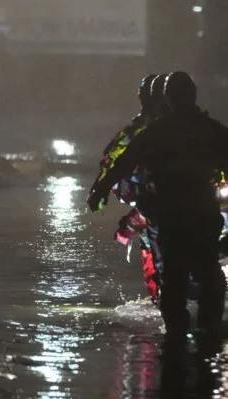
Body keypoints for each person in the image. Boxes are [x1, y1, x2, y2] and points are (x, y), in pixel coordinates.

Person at [88, 71, 228, 338]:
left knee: (176, 276)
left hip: (173, 215)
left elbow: (122, 161)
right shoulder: (206, 129)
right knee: (207, 274)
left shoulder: (157, 132)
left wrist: (99, 190)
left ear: (168, 99)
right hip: (197, 212)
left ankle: (179, 335)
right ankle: (207, 331)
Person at [89, 74, 165, 302]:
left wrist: (99, 189)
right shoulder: (142, 131)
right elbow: (116, 160)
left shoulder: (190, 127)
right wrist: (100, 188)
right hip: (155, 199)